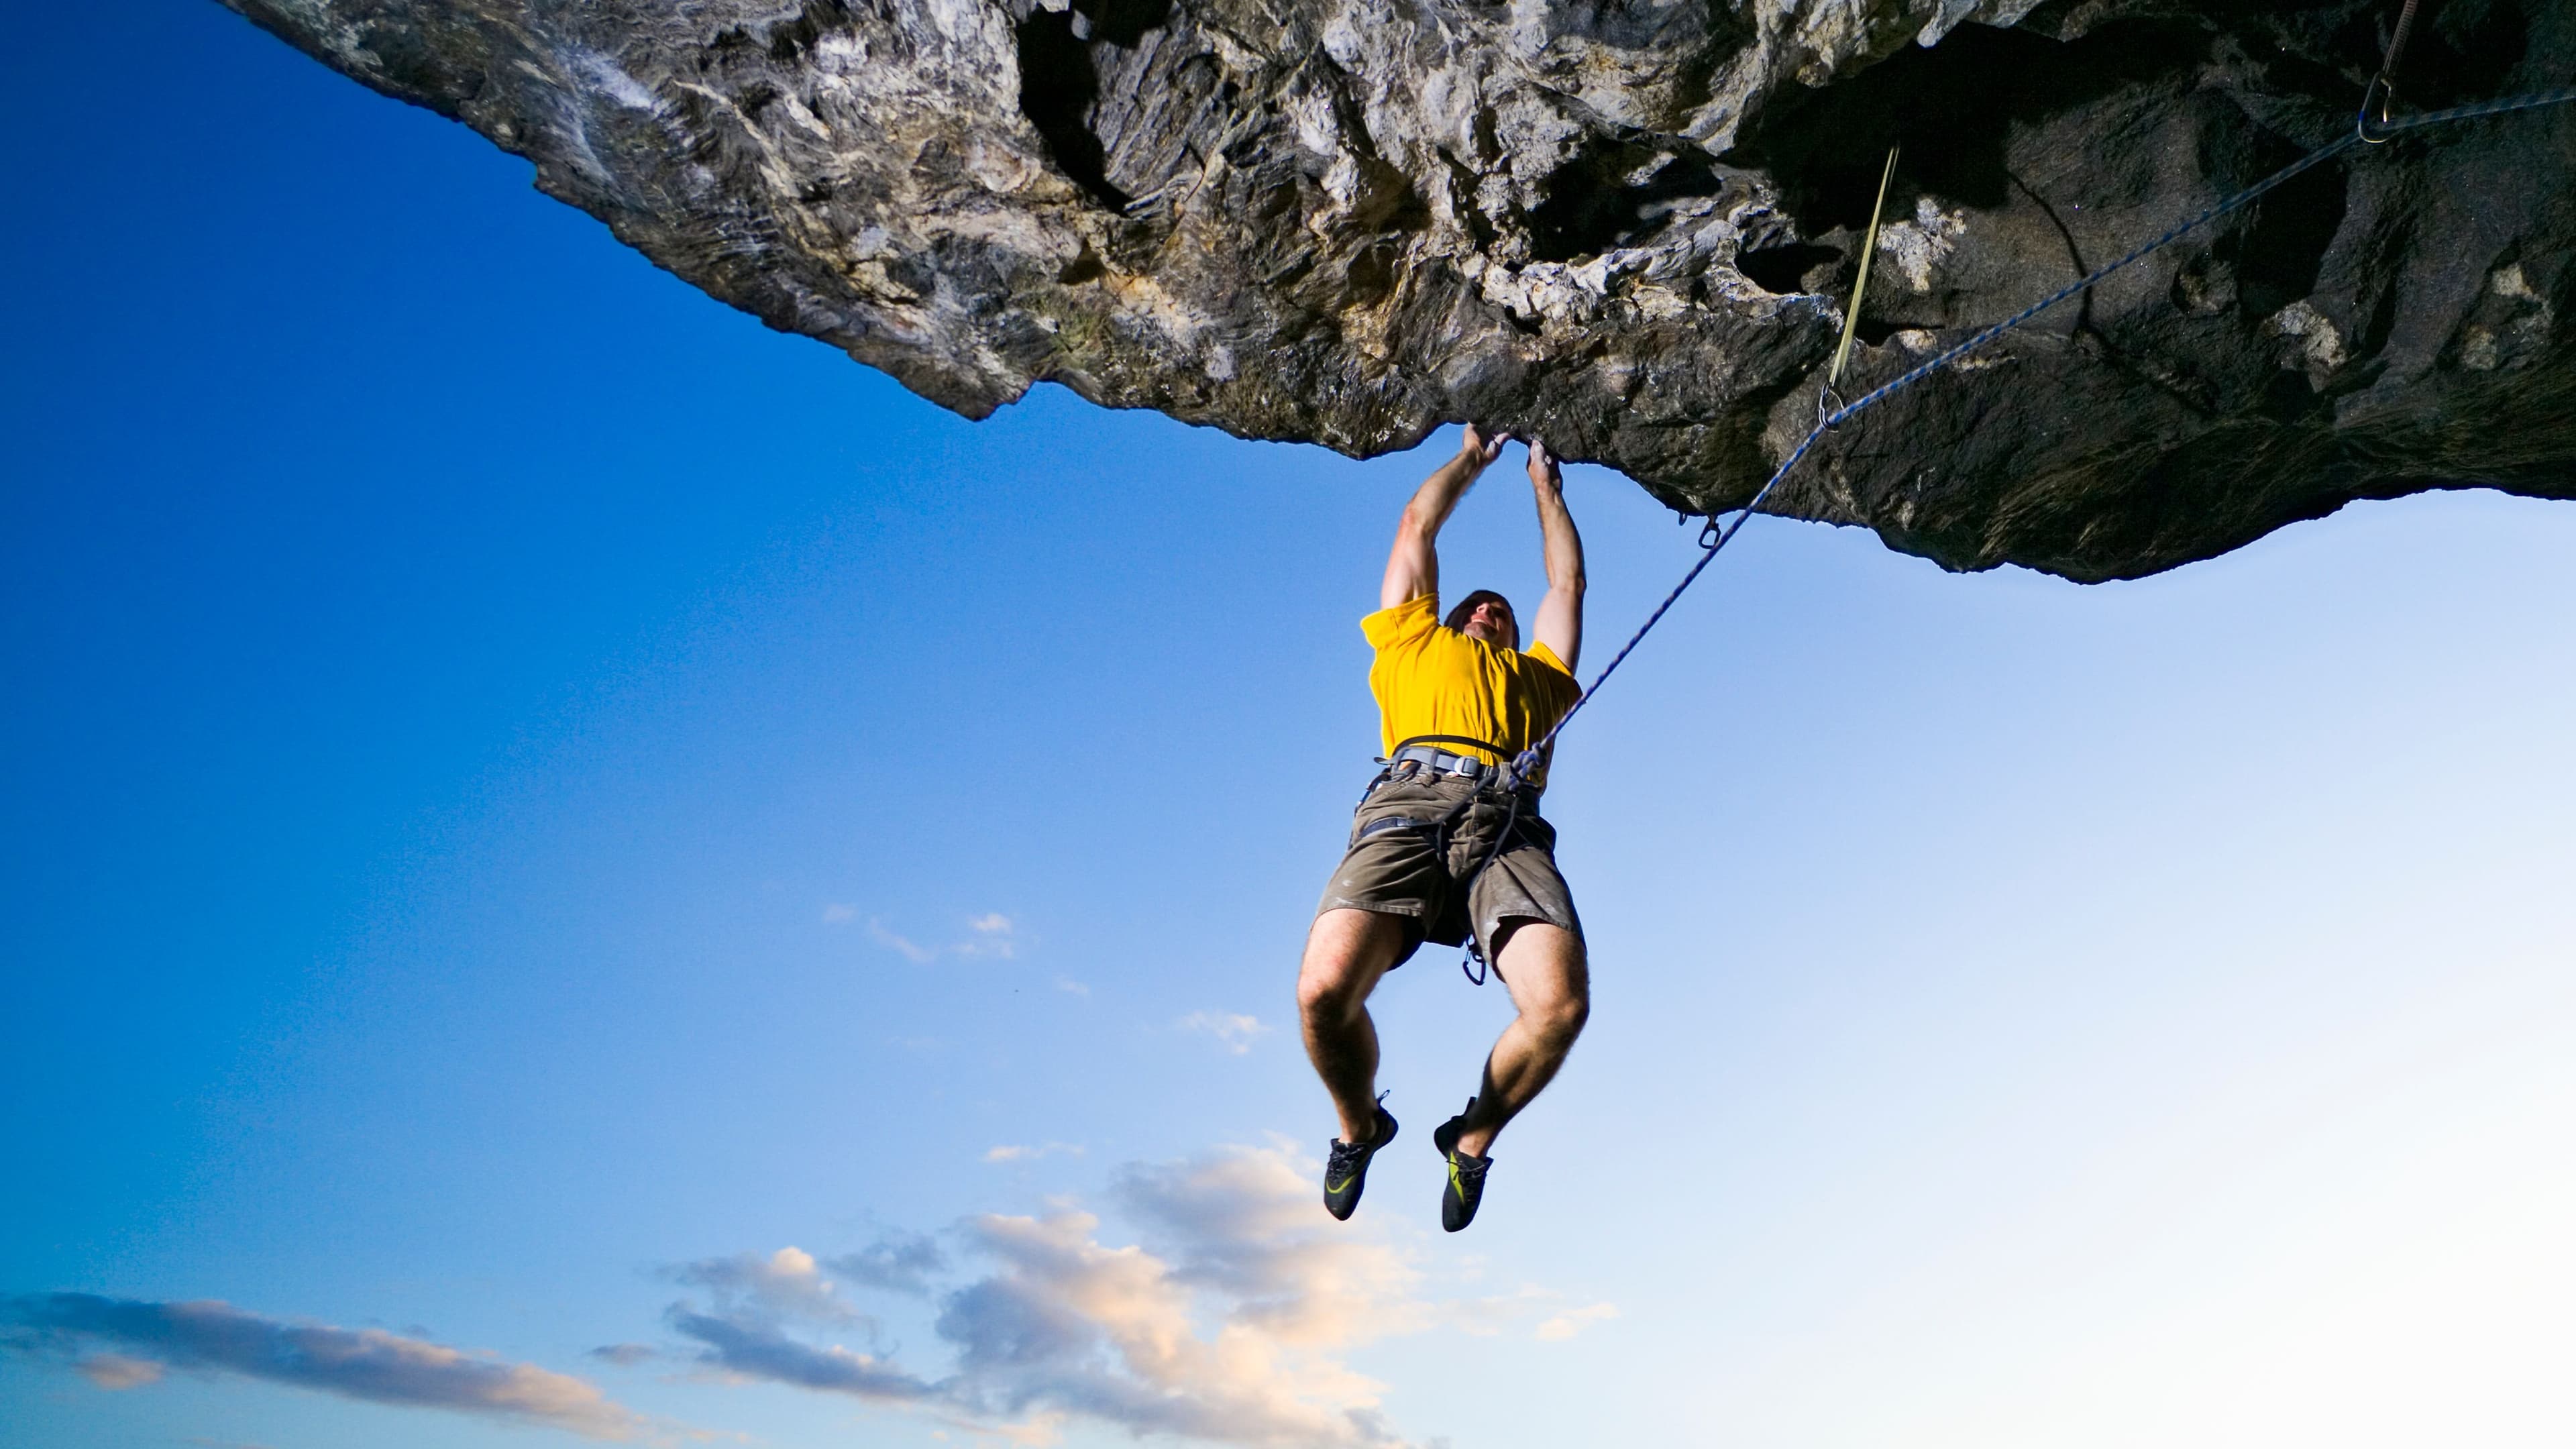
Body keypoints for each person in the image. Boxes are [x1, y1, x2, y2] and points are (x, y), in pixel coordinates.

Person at [1296, 425, 1589, 1232]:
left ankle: (1472, 1138)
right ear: (1450, 615)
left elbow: (1566, 585)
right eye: (1477, 602)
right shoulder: (1409, 642)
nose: (1492, 606)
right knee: (1323, 992)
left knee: (1559, 1010)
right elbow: (1416, 528)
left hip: (1510, 827)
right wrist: (1472, 460)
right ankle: (1360, 1127)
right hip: (1409, 803)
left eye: (1501, 606)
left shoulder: (1541, 680)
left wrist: (1545, 488)